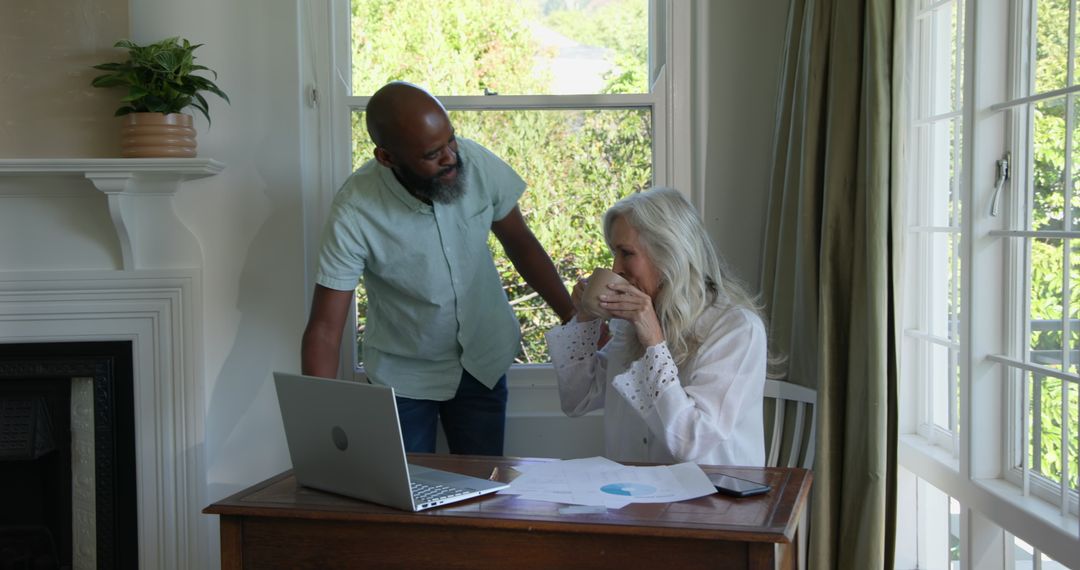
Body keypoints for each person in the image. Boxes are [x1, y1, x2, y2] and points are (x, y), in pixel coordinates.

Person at [302, 81, 574, 456]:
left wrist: (573, 316)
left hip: (483, 361)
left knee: (482, 495)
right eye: (433, 153)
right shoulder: (354, 209)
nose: (450, 157)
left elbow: (521, 244)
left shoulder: (475, 164)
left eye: (451, 140)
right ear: (387, 158)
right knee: (406, 501)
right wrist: (319, 419)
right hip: (405, 376)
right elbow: (325, 328)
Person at [545, 186, 768, 466]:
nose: (615, 269)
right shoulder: (631, 324)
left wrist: (653, 341)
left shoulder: (736, 329)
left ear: (669, 254)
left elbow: (691, 443)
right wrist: (585, 318)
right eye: (614, 253)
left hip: (715, 497)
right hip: (634, 492)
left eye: (626, 253)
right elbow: (577, 401)